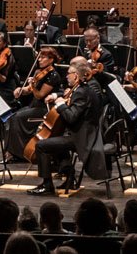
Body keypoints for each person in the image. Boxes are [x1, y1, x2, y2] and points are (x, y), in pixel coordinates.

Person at [32, 59, 107, 196]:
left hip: (81, 138)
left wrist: (61, 105)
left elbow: (71, 117)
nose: (66, 76)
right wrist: (61, 98)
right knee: (56, 141)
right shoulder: (84, 89)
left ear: (76, 76)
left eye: (69, 73)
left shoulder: (81, 92)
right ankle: (69, 177)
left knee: (41, 146)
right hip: (85, 133)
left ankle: (47, 185)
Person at [5, 45, 65, 163]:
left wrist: (32, 85)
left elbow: (39, 95)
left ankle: (19, 153)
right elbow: (28, 90)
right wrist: (20, 90)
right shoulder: (39, 71)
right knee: (12, 116)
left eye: (43, 57)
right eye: (39, 57)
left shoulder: (53, 76)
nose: (39, 59)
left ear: (51, 59)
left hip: (44, 108)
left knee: (16, 118)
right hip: (34, 105)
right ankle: (14, 151)